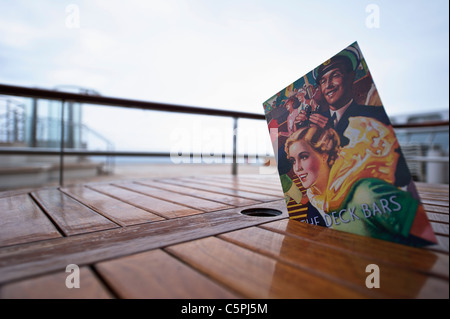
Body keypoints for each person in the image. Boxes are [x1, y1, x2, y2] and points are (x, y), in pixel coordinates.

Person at [284, 118, 436, 246]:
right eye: (292, 160)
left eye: (303, 157)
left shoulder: (366, 192)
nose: (297, 168)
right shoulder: (314, 202)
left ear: (324, 155)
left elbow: (426, 238)